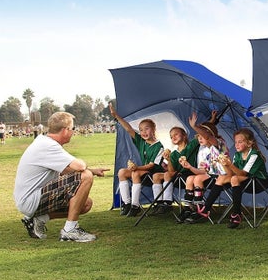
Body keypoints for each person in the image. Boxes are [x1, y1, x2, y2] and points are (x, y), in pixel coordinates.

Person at [13, 111, 110, 242]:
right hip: (30, 200)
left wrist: (93, 170)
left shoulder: (44, 141)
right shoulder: (48, 146)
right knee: (85, 176)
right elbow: (80, 167)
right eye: (73, 129)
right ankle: (70, 230)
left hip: (29, 199)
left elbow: (65, 170)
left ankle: (38, 220)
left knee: (85, 204)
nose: (73, 132)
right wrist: (87, 170)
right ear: (65, 130)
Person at [187, 128, 268, 227]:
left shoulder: (254, 155)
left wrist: (229, 165)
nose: (237, 145)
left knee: (234, 179)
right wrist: (225, 164)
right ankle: (206, 208)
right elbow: (231, 173)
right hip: (244, 180)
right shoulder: (237, 155)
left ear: (249, 143)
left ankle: (237, 214)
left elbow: (242, 174)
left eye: (240, 142)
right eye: (235, 142)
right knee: (222, 177)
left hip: (259, 182)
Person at [109, 103, 165, 217]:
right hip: (143, 172)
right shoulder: (141, 141)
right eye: (141, 130)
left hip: (154, 174)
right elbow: (128, 128)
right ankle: (127, 203)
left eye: (146, 129)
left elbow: (151, 166)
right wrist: (116, 116)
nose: (143, 132)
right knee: (122, 172)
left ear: (154, 129)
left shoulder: (159, 146)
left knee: (135, 173)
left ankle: (135, 206)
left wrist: (136, 167)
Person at [178, 113, 229, 222]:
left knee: (197, 179)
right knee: (190, 178)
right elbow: (202, 171)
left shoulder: (219, 143)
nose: (200, 139)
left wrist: (195, 127)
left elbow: (208, 136)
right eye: (198, 136)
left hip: (223, 176)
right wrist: (189, 167)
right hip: (210, 176)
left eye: (202, 136)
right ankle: (188, 209)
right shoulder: (202, 149)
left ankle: (200, 210)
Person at [150, 125, 200, 214]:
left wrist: (212, 120)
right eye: (171, 137)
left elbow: (201, 134)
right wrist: (169, 160)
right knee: (156, 175)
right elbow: (172, 171)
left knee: (167, 174)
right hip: (178, 177)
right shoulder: (173, 154)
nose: (173, 137)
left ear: (184, 135)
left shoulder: (191, 145)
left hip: (191, 174)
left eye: (176, 134)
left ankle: (168, 202)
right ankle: (159, 203)